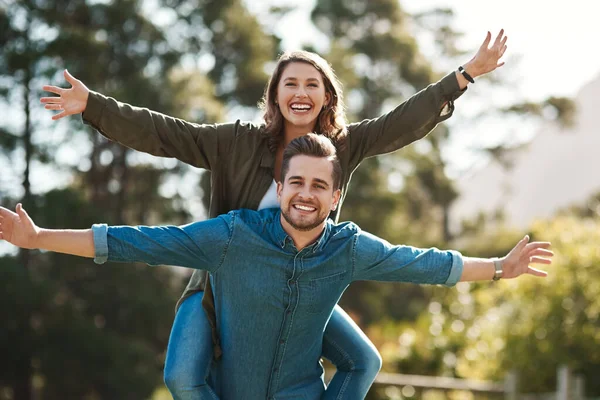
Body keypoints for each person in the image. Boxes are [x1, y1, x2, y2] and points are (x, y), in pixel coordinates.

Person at [40, 30, 508, 399]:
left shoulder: (343, 147)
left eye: (312, 84)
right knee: (183, 375)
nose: (301, 93)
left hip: (303, 286)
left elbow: (401, 123)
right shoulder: (236, 142)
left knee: (364, 360)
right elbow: (165, 133)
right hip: (221, 284)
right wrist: (95, 106)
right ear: (275, 95)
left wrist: (462, 76)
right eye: (291, 84)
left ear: (327, 97)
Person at [0, 134, 552, 399]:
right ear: (280, 187)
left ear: (335, 195)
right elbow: (139, 242)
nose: (306, 195)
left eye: (319, 185)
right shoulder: (233, 236)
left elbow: (428, 265)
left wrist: (501, 268)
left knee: (363, 363)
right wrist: (38, 236)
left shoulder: (349, 246)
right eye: (296, 183)